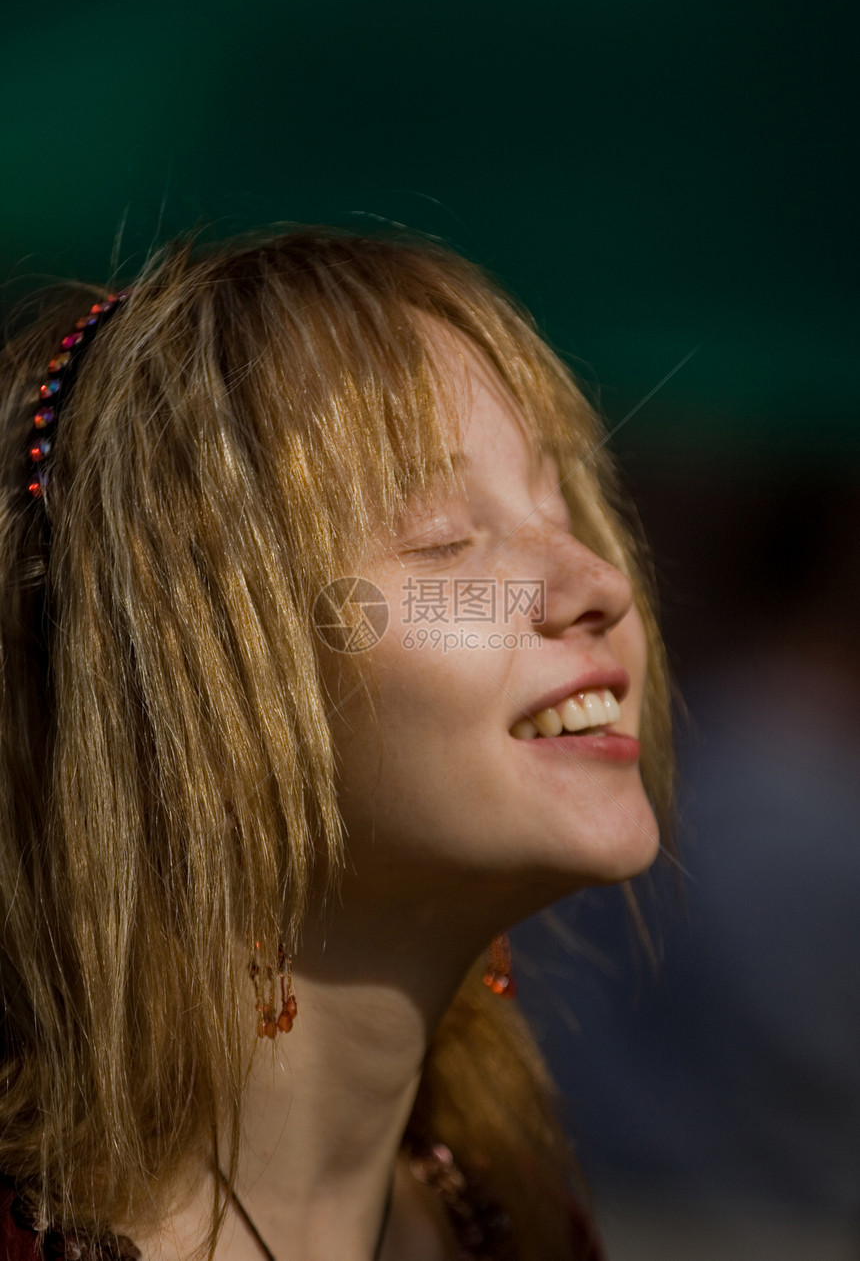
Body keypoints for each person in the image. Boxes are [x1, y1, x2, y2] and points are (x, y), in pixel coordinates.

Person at [0, 227, 675, 1260]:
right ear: (181, 685)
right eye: (445, 537)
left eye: (559, 504)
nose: (599, 584)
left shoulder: (517, 1224)